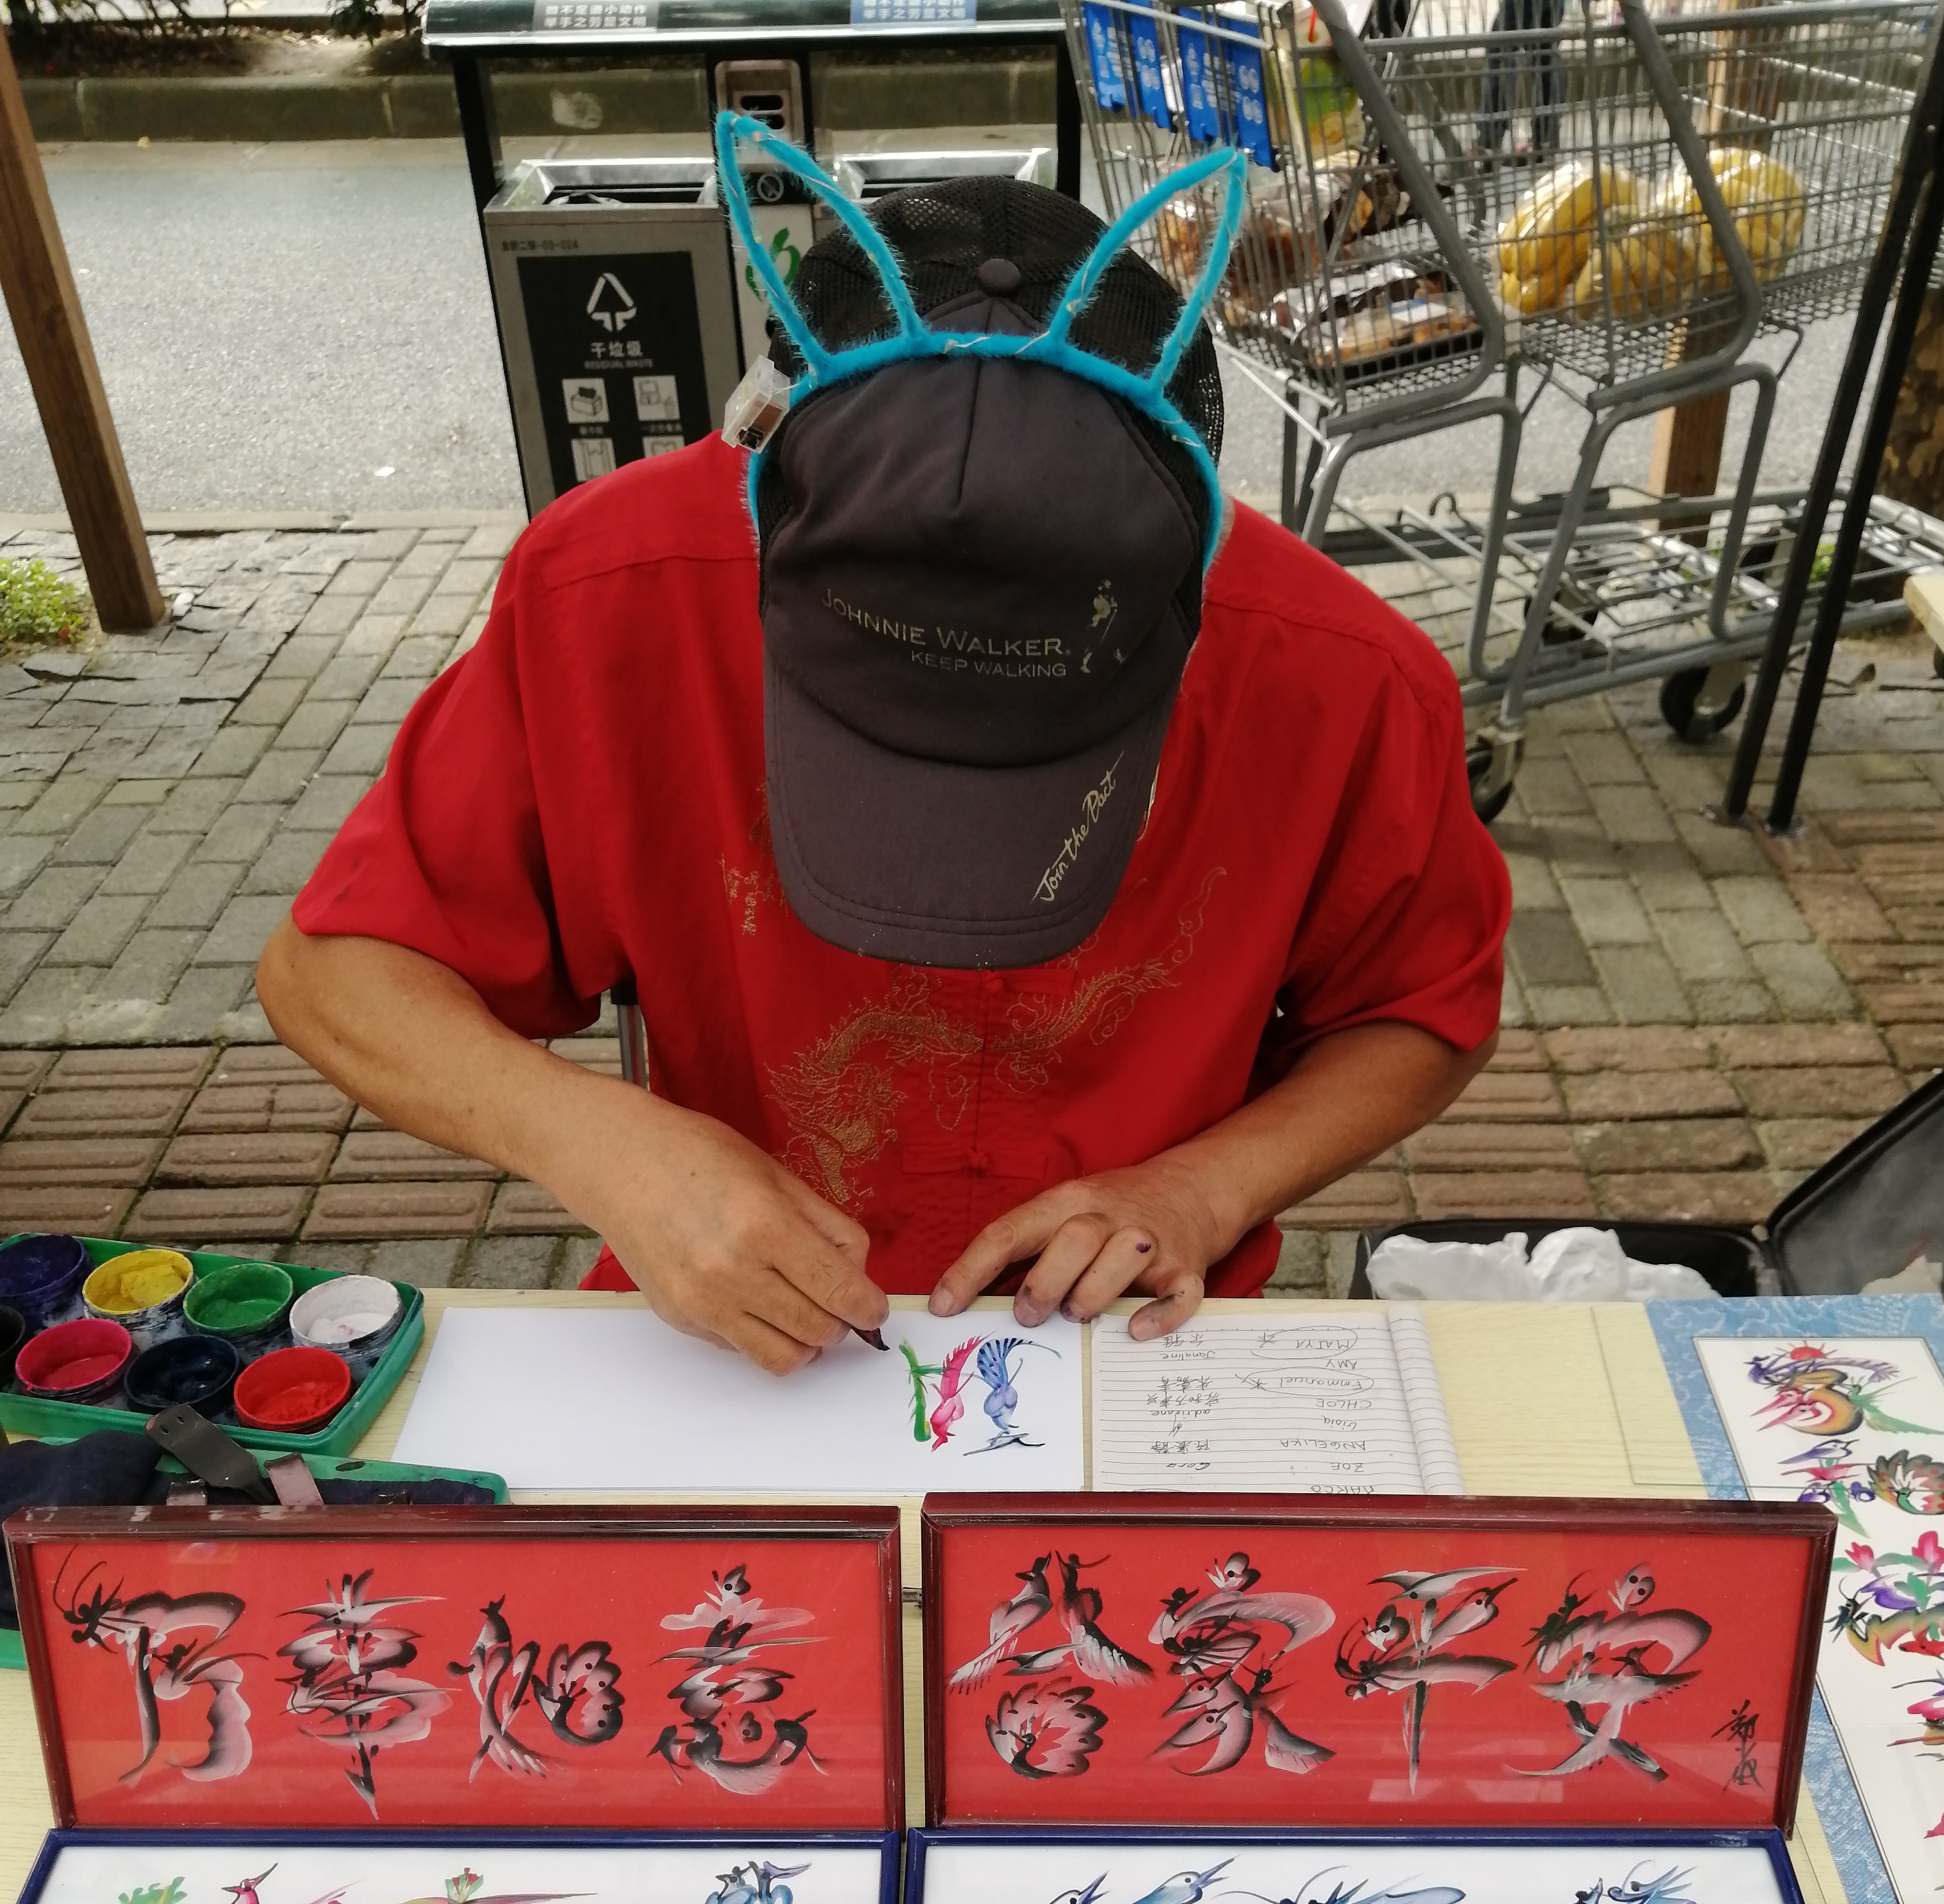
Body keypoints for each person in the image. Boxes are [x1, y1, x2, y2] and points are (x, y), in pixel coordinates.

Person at [259, 130, 1510, 1378]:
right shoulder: (613, 595)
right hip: (733, 1346)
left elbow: (1419, 1008)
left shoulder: (1341, 673)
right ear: (771, 478)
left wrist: (1209, 1185)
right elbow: (334, 971)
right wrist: (611, 1150)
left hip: (1137, 1343)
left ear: (1177, 542)